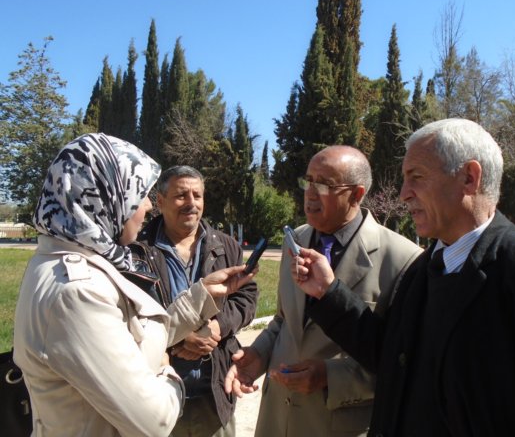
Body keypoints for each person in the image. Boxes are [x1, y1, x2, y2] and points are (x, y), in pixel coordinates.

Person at [284, 119, 515, 436]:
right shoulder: (423, 271)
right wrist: (329, 292)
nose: (404, 193)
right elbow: (392, 356)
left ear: (469, 177)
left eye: (416, 177)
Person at [13, 133, 256, 437]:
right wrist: (166, 365)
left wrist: (200, 298)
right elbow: (154, 420)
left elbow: (133, 335)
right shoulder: (77, 291)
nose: (146, 206)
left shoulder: (69, 263)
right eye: (137, 194)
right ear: (105, 196)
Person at [226, 145, 421, 436]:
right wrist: (259, 354)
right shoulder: (296, 239)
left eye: (324, 185)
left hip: (335, 424)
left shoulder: (404, 260)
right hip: (276, 420)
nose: (310, 193)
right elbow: (283, 320)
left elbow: (404, 364)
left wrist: (330, 377)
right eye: (308, 181)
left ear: (356, 195)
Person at [130, 165, 258, 437]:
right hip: (158, 398)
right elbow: (130, 315)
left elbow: (246, 297)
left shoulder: (225, 246)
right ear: (160, 201)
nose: (191, 203)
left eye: (197, 195)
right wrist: (179, 337)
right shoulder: (137, 250)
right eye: (181, 195)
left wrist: (217, 327)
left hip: (214, 396)